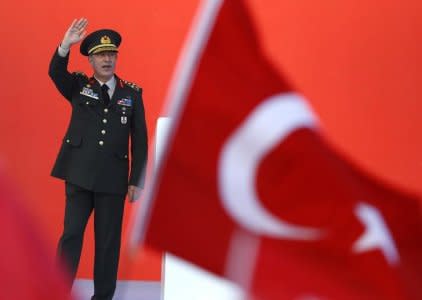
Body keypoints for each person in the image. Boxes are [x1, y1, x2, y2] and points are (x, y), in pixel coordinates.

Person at [48, 18, 148, 300]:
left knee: (107, 244)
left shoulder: (132, 94)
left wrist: (136, 179)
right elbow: (55, 72)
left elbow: (140, 139)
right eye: (101, 55)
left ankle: (103, 296)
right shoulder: (78, 86)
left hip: (113, 179)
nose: (107, 59)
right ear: (91, 60)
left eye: (111, 54)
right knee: (71, 236)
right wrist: (65, 45)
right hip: (78, 174)